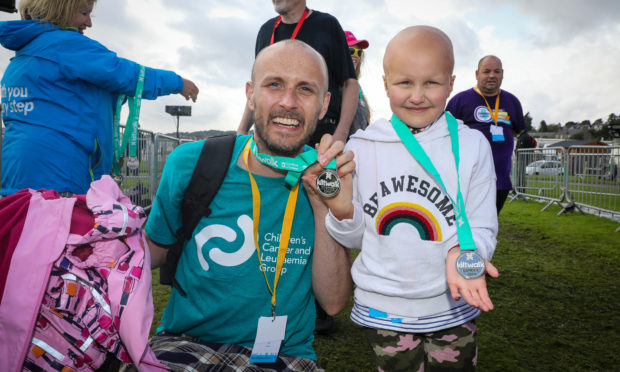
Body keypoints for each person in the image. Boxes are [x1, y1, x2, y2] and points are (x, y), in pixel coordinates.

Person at [143, 39, 353, 371]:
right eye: (274, 85)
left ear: (324, 104)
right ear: (251, 94)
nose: (288, 102)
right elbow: (154, 248)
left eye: (305, 90)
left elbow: (335, 301)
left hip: (286, 355)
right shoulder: (190, 163)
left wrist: (322, 203)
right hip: (186, 343)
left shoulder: (325, 179)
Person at [324, 26, 499, 371]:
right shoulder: (361, 148)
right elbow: (358, 238)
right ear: (386, 84)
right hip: (384, 311)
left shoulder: (473, 146)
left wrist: (463, 255)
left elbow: (482, 228)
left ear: (451, 83)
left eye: (431, 83)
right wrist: (342, 212)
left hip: (452, 306)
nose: (417, 96)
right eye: (405, 83)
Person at [0, 0, 199, 197]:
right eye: (84, 13)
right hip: (60, 175)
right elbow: (124, 74)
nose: (89, 23)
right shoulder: (68, 46)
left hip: (17, 173)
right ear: (59, 11)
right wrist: (177, 82)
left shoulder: (25, 55)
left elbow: (77, 97)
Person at [237, 0, 358, 146]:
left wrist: (340, 136)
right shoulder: (265, 30)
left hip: (319, 138)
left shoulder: (327, 26)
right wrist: (241, 131)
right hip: (270, 137)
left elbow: (350, 83)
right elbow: (258, 87)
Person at [446, 55, 526, 213]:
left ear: (502, 74)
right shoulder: (459, 101)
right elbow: (444, 133)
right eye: (486, 71)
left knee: (490, 226)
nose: (491, 76)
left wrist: (526, 138)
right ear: (477, 74)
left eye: (496, 71)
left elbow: (521, 131)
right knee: (463, 223)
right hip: (467, 180)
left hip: (500, 180)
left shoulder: (512, 101)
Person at [345, 30, 370, 136]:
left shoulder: (358, 89)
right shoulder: (329, 86)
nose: (356, 56)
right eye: (351, 51)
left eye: (359, 52)